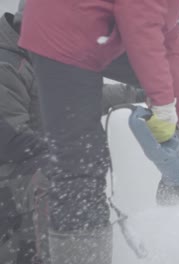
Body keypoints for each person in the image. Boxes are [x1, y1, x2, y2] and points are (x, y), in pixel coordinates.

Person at [18, 0, 179, 263]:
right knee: (81, 164)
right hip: (63, 29)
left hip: (103, 28)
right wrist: (163, 104)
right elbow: (140, 20)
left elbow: (169, 43)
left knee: (175, 96)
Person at [0, 4, 146, 263]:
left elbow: (76, 98)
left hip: (33, 166)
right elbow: (9, 140)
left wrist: (135, 93)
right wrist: (64, 147)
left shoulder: (41, 55)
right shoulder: (6, 64)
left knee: (80, 167)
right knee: (67, 172)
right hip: (12, 176)